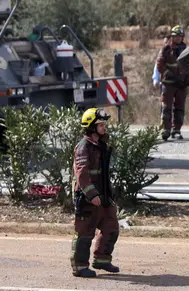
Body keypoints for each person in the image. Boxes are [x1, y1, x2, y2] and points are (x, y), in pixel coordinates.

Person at [70, 108, 120, 278]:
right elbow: (82, 174)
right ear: (91, 127)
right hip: (87, 198)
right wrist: (92, 195)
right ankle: (80, 266)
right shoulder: (83, 147)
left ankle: (102, 259)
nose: (103, 127)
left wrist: (108, 195)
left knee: (111, 227)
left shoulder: (101, 146)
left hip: (103, 197)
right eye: (100, 125)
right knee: (85, 232)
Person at [157, 25, 189, 141]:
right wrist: (169, 74)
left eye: (180, 36)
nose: (178, 38)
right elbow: (159, 65)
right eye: (176, 36)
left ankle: (176, 130)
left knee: (180, 108)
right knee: (166, 108)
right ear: (172, 37)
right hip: (168, 83)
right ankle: (166, 130)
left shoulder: (187, 49)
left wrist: (188, 77)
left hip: (181, 85)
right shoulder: (166, 49)